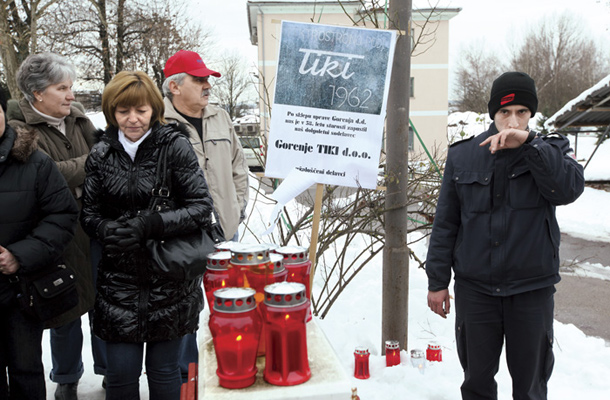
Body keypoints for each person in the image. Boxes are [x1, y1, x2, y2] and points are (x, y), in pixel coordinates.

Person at [426, 71, 585, 399]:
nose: (512, 120)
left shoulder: (550, 151)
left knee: (530, 387)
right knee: (476, 384)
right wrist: (437, 282)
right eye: (504, 112)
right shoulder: (463, 155)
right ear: (493, 114)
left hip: (530, 292)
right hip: (476, 292)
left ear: (532, 114)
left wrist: (530, 145)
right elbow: (446, 223)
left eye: (522, 112)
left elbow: (568, 189)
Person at [80, 70, 213, 399]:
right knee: (121, 374)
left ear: (154, 108)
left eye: (141, 110)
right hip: (119, 282)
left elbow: (200, 207)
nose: (133, 119)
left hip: (168, 278)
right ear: (112, 112)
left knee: (164, 371)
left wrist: (151, 224)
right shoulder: (101, 154)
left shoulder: (175, 146)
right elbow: (89, 214)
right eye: (123, 111)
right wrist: (105, 229)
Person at [7, 52, 99, 399]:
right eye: (62, 88)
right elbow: (47, 177)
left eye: (71, 87)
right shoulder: (19, 130)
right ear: (36, 93)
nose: (71, 95)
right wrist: (87, 165)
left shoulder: (78, 118)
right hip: (56, 236)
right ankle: (67, 378)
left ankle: (107, 371)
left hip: (93, 226)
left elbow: (101, 160)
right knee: (65, 308)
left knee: (102, 302)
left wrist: (78, 172)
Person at [162, 49, 249, 380]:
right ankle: (189, 378)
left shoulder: (221, 117)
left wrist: (236, 208)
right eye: (198, 79)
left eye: (208, 79)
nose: (206, 84)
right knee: (185, 311)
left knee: (229, 306)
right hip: (183, 238)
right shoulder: (160, 124)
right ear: (175, 86)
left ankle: (229, 370)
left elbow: (239, 167)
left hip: (226, 233)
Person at [0, 90, 79, 398]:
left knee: (26, 371)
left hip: (21, 290)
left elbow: (61, 216)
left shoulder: (35, 162)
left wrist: (18, 255)